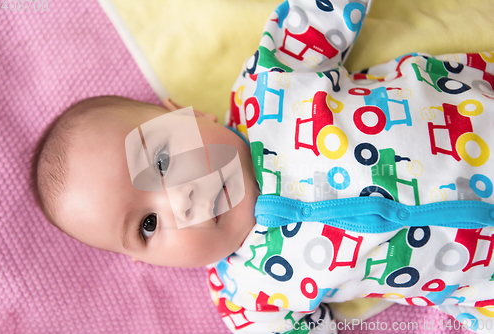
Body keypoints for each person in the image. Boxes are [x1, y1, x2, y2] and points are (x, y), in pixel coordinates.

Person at [32, 0, 494, 333]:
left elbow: (318, 13)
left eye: (162, 160)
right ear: (147, 262)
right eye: (148, 225)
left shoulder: (271, 84)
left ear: (187, 115)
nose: (179, 199)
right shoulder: (250, 299)